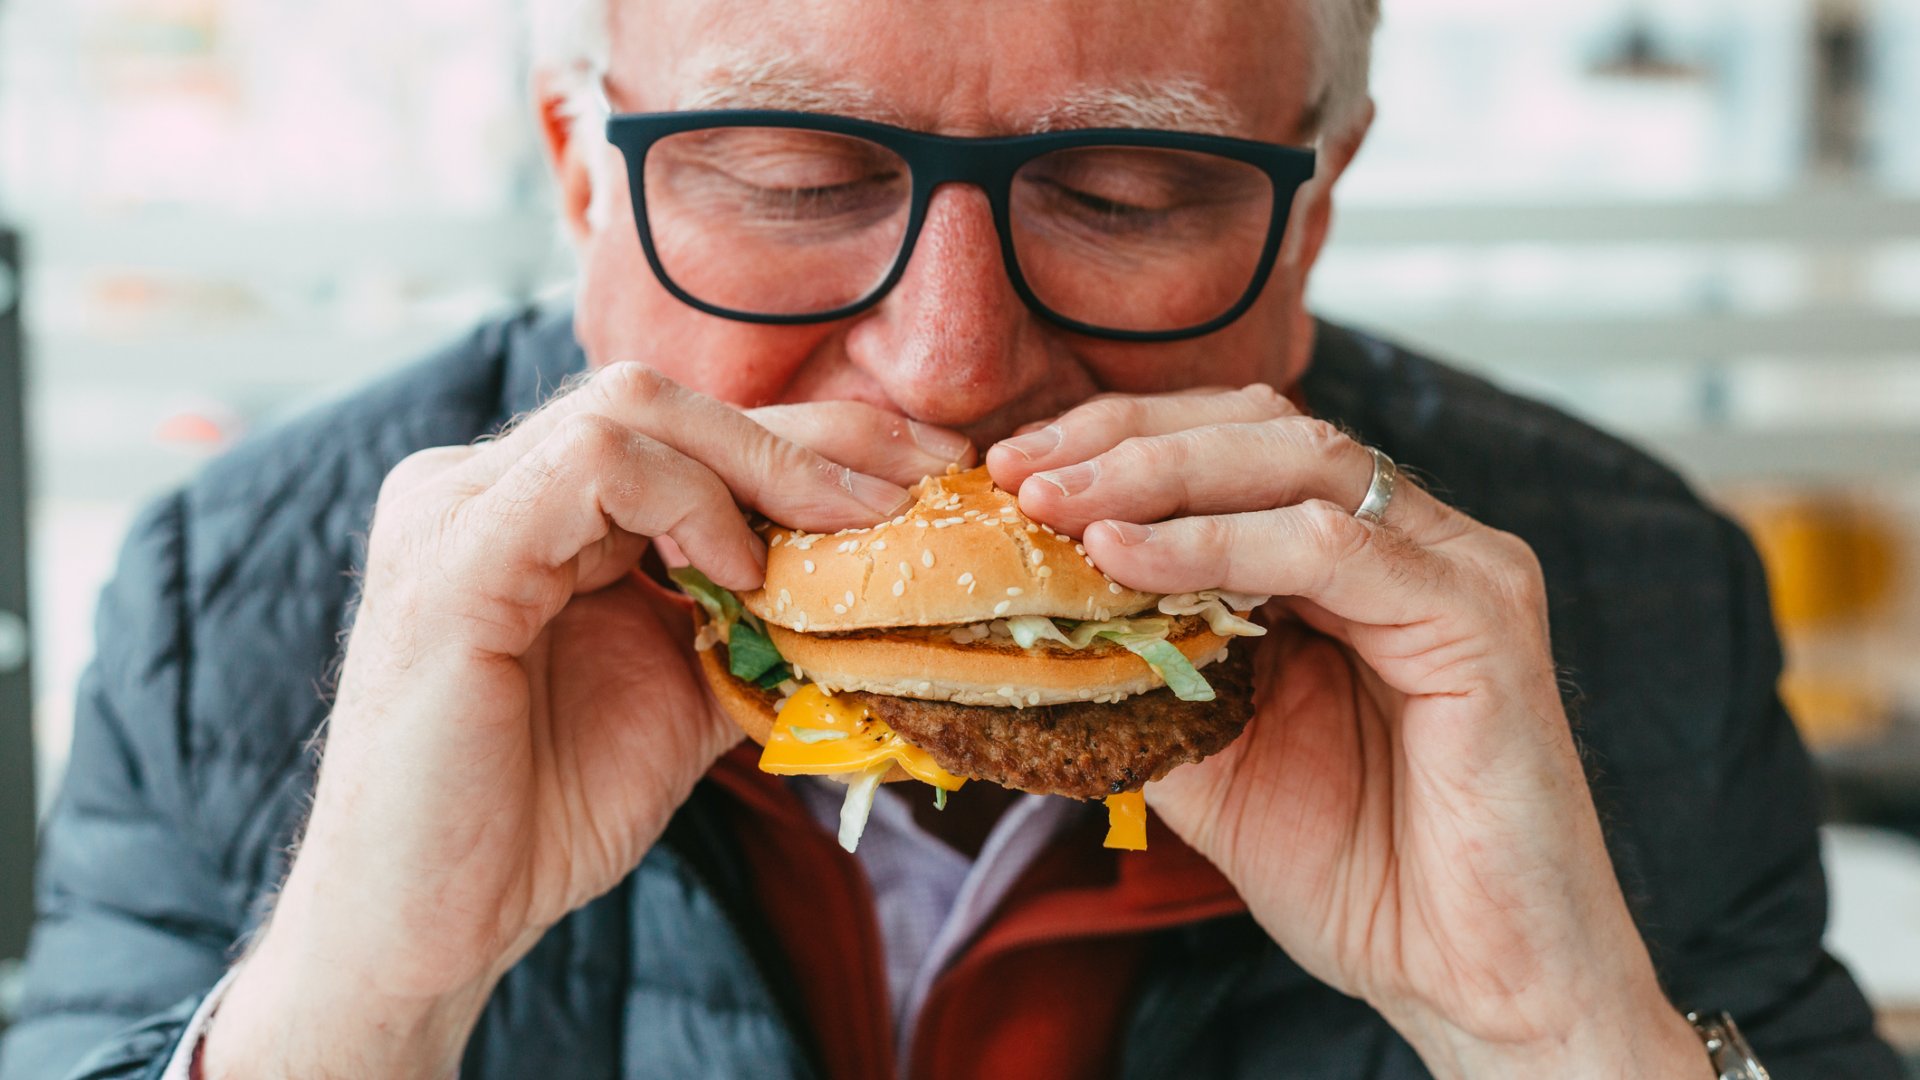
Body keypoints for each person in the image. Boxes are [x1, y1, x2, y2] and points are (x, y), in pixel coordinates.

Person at [0, 1, 1902, 1077]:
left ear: (1312, 222)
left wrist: (1561, 1045)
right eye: (798, 184)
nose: (953, 361)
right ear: (587, 175)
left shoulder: (1615, 601)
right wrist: (361, 1010)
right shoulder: (235, 590)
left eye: (1127, 192)